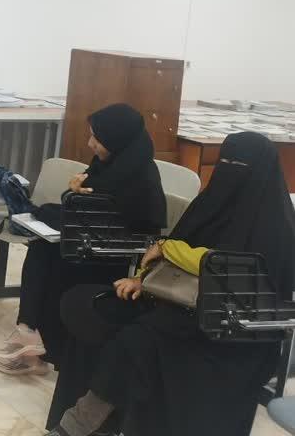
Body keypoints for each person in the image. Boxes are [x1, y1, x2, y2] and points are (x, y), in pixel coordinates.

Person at [45, 131, 295, 436]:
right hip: (178, 305)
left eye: (238, 165)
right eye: (225, 163)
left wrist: (169, 249)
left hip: (232, 329)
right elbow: (173, 246)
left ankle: (76, 426)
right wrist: (142, 279)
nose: (229, 171)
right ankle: (100, 423)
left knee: (135, 342)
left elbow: (231, 268)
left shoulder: (277, 227)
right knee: (91, 310)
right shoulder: (211, 204)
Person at [0, 103, 167, 375]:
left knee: (55, 256)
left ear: (117, 139)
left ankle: (39, 346)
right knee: (42, 247)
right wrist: (73, 193)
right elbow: (81, 207)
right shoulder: (110, 163)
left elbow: (126, 222)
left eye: (97, 138)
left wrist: (72, 200)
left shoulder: (139, 177)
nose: (90, 144)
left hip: (113, 253)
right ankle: (29, 334)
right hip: (89, 239)